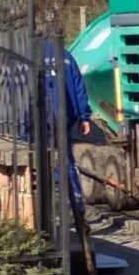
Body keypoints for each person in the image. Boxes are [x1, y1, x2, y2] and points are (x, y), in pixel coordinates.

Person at [43, 42, 92, 216]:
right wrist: (84, 117)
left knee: (41, 161)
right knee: (66, 160)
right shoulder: (66, 55)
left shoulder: (30, 54)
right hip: (64, 115)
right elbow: (79, 87)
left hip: (40, 117)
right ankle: (76, 203)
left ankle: (48, 207)